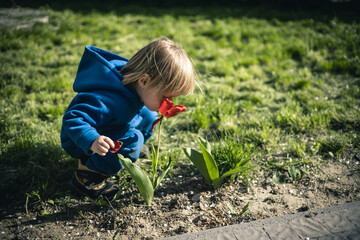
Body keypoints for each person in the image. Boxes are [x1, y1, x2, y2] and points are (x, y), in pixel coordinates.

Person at [61, 37, 196, 199]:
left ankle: (128, 150)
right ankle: (87, 176)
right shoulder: (108, 99)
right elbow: (73, 118)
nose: (170, 102)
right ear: (145, 80)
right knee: (133, 140)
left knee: (147, 115)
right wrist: (91, 140)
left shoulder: (135, 88)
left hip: (110, 124)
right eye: (166, 96)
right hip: (82, 141)